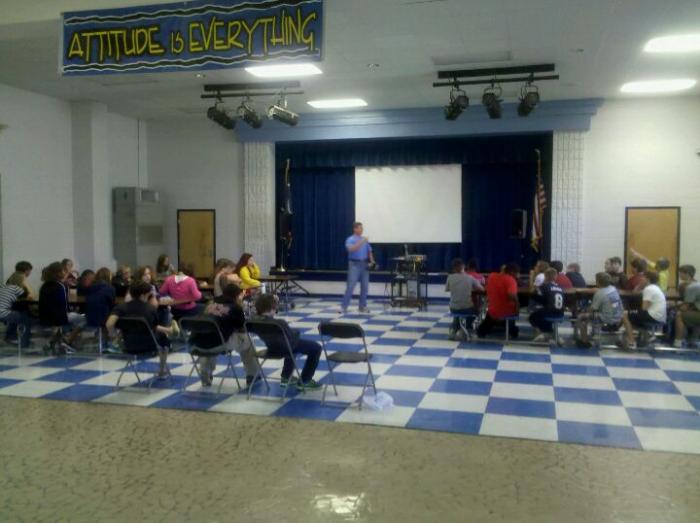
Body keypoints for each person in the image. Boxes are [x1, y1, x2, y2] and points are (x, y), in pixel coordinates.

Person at [189, 283, 260, 387]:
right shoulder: (235, 307)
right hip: (218, 345)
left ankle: (205, 373)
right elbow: (242, 328)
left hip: (196, 345)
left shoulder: (209, 304)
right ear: (237, 296)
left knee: (208, 337)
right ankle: (252, 374)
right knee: (247, 340)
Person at [106, 281, 178, 378]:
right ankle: (162, 370)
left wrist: (114, 335)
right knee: (164, 340)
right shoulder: (150, 308)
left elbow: (109, 324)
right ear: (143, 295)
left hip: (127, 345)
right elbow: (154, 327)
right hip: (149, 346)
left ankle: (169, 330)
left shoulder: (120, 307)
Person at [253, 293, 322, 389]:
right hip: (285, 348)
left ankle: (286, 377)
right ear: (273, 308)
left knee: (288, 344)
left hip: (271, 348)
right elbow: (291, 337)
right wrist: (296, 332)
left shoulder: (252, 322)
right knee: (316, 348)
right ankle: (305, 380)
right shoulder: (279, 323)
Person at [38, 261, 85, 348]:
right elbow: (64, 305)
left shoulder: (44, 285)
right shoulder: (60, 286)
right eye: (63, 271)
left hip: (45, 317)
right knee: (84, 319)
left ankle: (54, 339)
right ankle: (68, 340)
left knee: (72, 318)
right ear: (59, 273)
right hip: (59, 317)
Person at [575, 272, 623, 348]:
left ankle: (584, 341)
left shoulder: (600, 293)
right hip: (619, 316)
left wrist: (583, 311)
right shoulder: (613, 289)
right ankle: (593, 334)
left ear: (598, 282)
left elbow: (592, 309)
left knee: (582, 317)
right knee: (591, 314)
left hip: (607, 318)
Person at [620, 271, 667, 349]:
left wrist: (633, 311)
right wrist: (640, 285)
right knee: (631, 316)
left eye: (642, 278)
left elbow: (644, 308)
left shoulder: (648, 289)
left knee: (624, 315)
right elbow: (635, 292)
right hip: (660, 316)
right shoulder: (655, 287)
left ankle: (631, 342)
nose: (640, 279)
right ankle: (646, 336)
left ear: (647, 279)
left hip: (653, 315)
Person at [477, 263, 520, 339]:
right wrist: (517, 304)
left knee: (492, 313)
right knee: (516, 306)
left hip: (492, 312)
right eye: (517, 272)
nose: (517, 274)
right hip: (506, 312)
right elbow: (512, 295)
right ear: (512, 272)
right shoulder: (511, 280)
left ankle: (482, 331)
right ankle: (511, 329)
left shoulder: (491, 276)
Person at [341, 221, 375, 314]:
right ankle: (344, 307)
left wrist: (372, 261)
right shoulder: (350, 239)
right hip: (354, 264)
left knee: (365, 287)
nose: (362, 230)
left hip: (365, 264)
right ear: (355, 229)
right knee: (350, 286)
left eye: (362, 228)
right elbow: (351, 249)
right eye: (360, 228)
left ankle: (362, 307)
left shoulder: (364, 240)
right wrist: (362, 241)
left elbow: (369, 251)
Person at [445, 258, 482, 340]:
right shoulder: (470, 277)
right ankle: (469, 327)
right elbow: (481, 289)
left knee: (457, 312)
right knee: (476, 309)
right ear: (463, 266)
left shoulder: (450, 277)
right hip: (467, 309)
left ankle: (455, 330)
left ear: (453, 268)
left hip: (453, 308)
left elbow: (447, 289)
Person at [528, 268, 565, 342]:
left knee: (532, 317)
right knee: (544, 314)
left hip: (549, 311)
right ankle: (552, 334)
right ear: (555, 277)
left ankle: (545, 333)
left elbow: (534, 294)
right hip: (560, 312)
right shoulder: (560, 287)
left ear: (545, 277)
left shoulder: (544, 286)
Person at [673, 265, 700, 348]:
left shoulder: (691, 287)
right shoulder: (697, 284)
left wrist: (673, 307)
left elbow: (685, 307)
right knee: (692, 315)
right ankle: (693, 340)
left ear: (687, 274)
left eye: (680, 273)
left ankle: (678, 342)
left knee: (679, 315)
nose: (679, 275)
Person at [0, 282, 34, 348]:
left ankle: (10, 337)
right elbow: (28, 296)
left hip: (4, 312)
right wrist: (27, 288)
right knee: (25, 318)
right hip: (3, 313)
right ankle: (24, 344)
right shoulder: (16, 288)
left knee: (15, 315)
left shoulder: (2, 288)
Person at [84, 268, 116, 336]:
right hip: (103, 319)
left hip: (89, 317)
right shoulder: (110, 288)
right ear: (108, 276)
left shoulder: (91, 287)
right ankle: (112, 337)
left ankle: (103, 337)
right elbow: (112, 305)